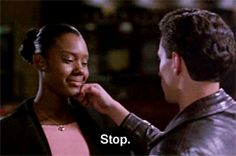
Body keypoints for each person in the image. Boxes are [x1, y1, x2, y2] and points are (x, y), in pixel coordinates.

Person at [76, 8, 236, 155]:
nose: (159, 71)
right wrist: (113, 109)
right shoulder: (230, 115)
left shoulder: (178, 147)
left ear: (175, 62)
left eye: (160, 58)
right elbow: (171, 142)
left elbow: (174, 147)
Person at [0, 24, 133, 155]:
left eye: (84, 63)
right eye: (68, 59)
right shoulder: (9, 131)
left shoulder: (97, 121)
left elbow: (145, 149)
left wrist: (113, 107)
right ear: (40, 61)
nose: (80, 70)